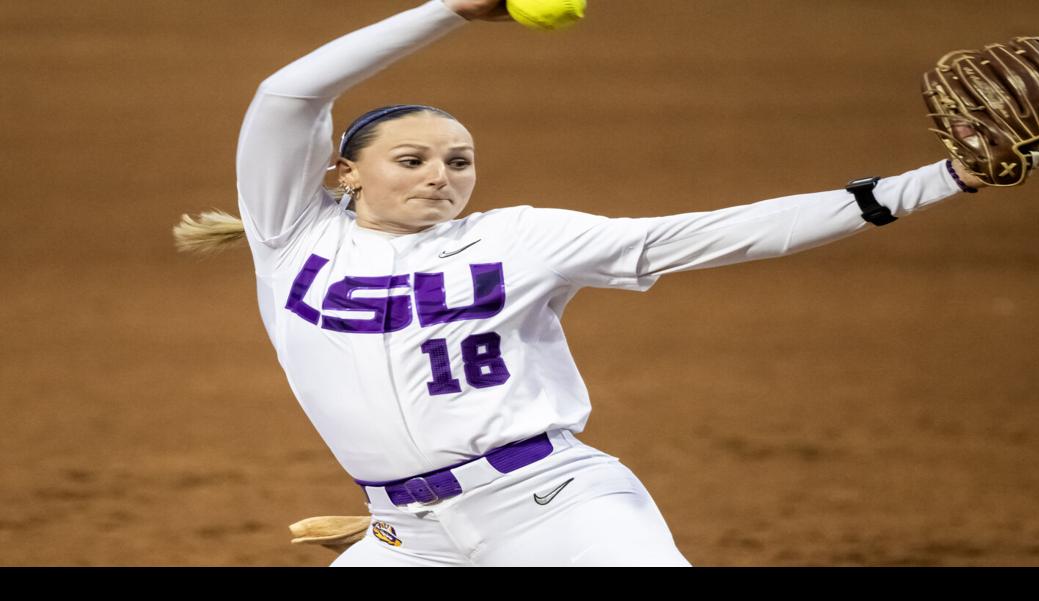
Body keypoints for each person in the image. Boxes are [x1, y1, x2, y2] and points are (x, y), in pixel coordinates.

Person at [174, 0, 988, 567]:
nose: (441, 176)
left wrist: (941, 178)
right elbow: (286, 95)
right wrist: (447, 11)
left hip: (554, 505)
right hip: (405, 536)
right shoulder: (292, 236)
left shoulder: (518, 236)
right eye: (412, 160)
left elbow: (709, 235)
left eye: (459, 161)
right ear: (344, 172)